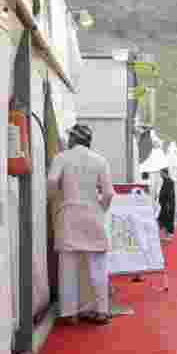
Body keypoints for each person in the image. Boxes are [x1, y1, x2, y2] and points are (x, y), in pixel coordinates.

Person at [47, 123, 115, 325]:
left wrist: (54, 199)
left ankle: (69, 313)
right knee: (98, 266)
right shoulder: (100, 161)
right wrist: (99, 208)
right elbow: (109, 192)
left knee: (68, 267)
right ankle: (102, 310)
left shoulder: (61, 158)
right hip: (93, 216)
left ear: (73, 139)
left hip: (69, 215)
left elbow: (51, 182)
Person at [157, 168, 176, 241]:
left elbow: (169, 194)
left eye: (161, 173)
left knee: (168, 219)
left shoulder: (170, 181)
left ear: (165, 173)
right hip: (163, 204)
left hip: (168, 204)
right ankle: (165, 235)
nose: (160, 175)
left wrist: (169, 204)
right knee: (163, 219)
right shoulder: (165, 181)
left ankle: (170, 235)